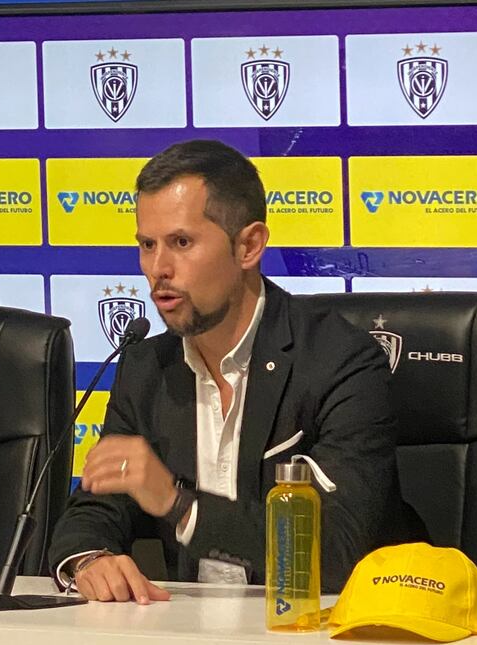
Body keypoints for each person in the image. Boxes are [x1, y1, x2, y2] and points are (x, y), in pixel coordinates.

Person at [48, 139, 422, 603]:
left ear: (249, 246)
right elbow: (94, 508)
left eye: (181, 243)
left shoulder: (339, 360)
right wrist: (89, 560)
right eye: (147, 245)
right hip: (187, 631)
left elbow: (339, 549)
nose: (158, 269)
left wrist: (179, 505)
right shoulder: (146, 367)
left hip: (318, 628)